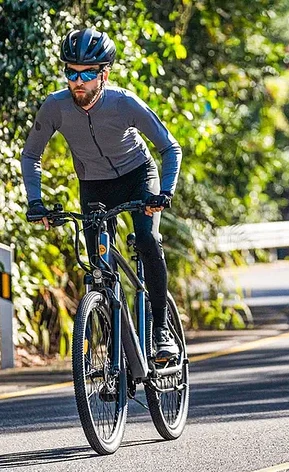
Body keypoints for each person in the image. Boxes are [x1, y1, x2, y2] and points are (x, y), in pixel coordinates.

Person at [21, 28, 182, 360]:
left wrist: (164, 192)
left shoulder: (124, 103)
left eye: (87, 74)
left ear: (104, 74)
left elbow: (170, 147)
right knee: (98, 267)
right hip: (94, 184)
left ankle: (161, 330)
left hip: (138, 177)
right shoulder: (55, 107)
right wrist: (35, 201)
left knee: (147, 240)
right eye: (71, 73)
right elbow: (31, 155)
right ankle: (112, 344)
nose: (78, 81)